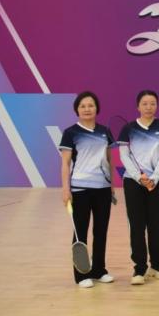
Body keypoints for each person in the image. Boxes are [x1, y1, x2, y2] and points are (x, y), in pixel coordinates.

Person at [59, 91, 115, 288]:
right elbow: (65, 163)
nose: (87, 109)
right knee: (80, 232)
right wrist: (65, 189)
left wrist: (112, 186)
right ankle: (82, 275)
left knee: (101, 231)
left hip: (102, 189)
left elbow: (109, 160)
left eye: (90, 105)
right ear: (77, 110)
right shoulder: (70, 133)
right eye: (82, 106)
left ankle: (99, 270)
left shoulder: (105, 131)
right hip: (80, 189)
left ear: (97, 108)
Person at [117, 90, 159, 285]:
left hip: (157, 182)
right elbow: (124, 156)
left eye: (152, 103)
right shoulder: (128, 129)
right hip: (133, 182)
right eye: (145, 103)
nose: (149, 107)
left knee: (155, 225)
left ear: (157, 105)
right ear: (138, 106)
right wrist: (139, 177)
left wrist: (155, 178)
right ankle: (139, 268)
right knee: (137, 226)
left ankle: (157, 266)